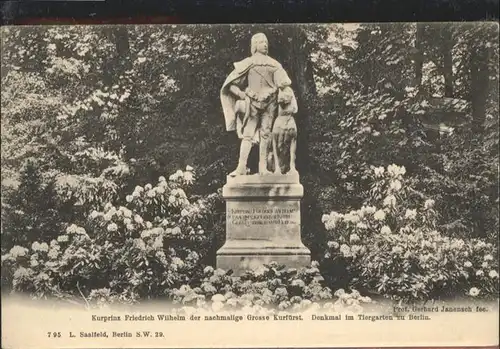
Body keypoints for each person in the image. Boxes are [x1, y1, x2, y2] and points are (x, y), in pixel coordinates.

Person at [220, 33, 297, 176]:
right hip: (252, 104)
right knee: (247, 135)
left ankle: (263, 168)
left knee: (266, 135)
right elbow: (231, 85)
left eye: (266, 41)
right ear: (254, 45)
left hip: (270, 104)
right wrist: (243, 94)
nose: (265, 44)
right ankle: (241, 166)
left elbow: (284, 83)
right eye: (261, 42)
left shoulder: (275, 64)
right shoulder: (248, 63)